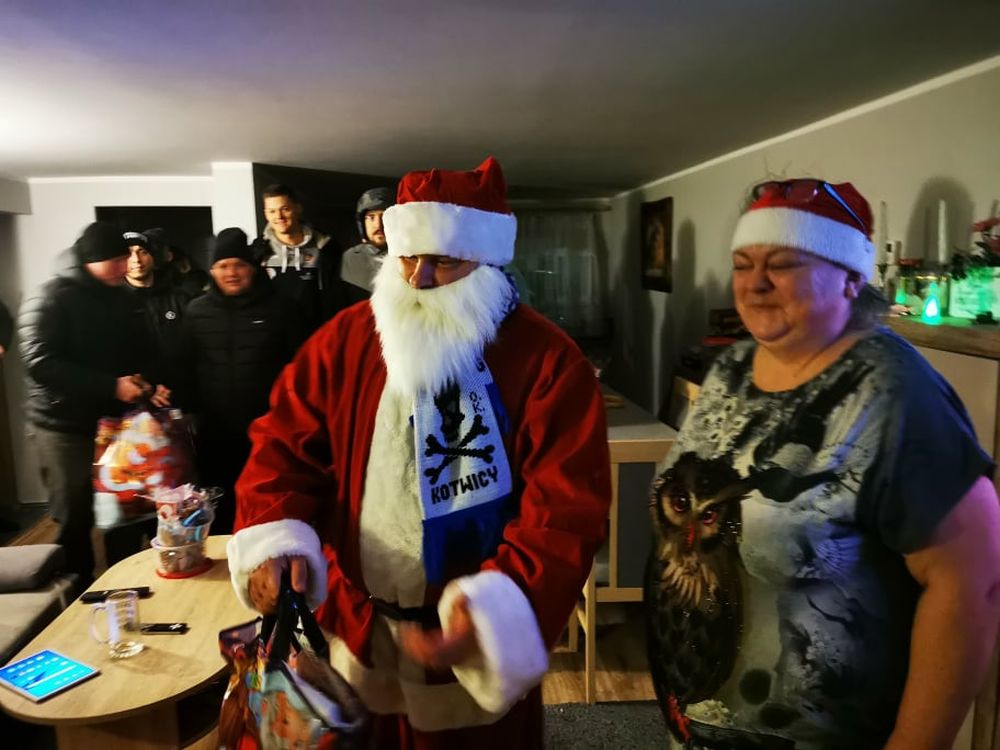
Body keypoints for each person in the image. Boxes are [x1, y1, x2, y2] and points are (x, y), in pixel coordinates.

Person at [226, 157, 611, 748]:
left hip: (467, 650)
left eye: (444, 261)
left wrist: (494, 611)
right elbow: (283, 446)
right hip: (356, 628)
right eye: (406, 257)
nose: (419, 279)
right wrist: (274, 540)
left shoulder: (549, 361)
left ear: (487, 261)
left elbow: (564, 512)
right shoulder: (345, 340)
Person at [644, 178, 1000, 749]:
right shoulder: (731, 368)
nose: (756, 283)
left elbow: (972, 585)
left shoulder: (892, 390)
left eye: (783, 264)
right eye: (742, 264)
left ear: (851, 278)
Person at [18, 222, 170, 585]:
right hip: (62, 425)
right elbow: (39, 362)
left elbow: (143, 348)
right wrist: (111, 386)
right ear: (90, 260)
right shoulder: (51, 296)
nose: (125, 266)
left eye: (125, 257)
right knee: (75, 514)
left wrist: (148, 382)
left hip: (116, 424)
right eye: (115, 260)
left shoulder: (121, 296)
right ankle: (75, 589)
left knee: (124, 507)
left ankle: (123, 581)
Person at [175, 228, 307, 533]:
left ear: (253, 268)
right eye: (223, 266)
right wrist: (188, 411)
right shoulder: (197, 311)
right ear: (212, 271)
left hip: (269, 430)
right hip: (215, 433)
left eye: (239, 265)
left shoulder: (282, 308)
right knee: (220, 506)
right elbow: (183, 365)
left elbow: (302, 366)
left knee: (269, 504)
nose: (231, 273)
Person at [259, 183, 348, 332]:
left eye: (284, 209)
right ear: (266, 214)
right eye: (272, 211)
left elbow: (336, 299)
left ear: (298, 208)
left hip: (316, 337)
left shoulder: (325, 248)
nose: (279, 216)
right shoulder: (258, 252)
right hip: (273, 338)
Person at [122, 230, 195, 363]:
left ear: (153, 257)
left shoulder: (181, 298)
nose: (136, 260)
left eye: (143, 252)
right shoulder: (114, 302)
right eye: (128, 254)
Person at [339, 186, 394, 303]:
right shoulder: (349, 259)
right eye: (371, 217)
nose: (378, 225)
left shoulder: (410, 257)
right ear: (362, 223)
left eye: (385, 216)